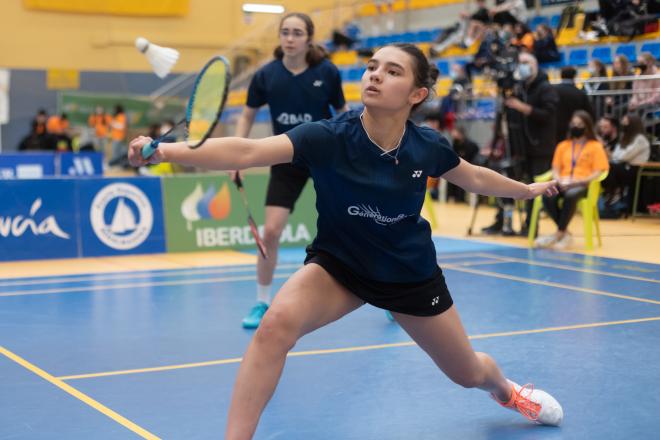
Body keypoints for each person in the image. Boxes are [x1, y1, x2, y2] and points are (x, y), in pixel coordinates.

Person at [128, 43, 563, 439]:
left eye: (392, 71)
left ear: (417, 94)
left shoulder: (426, 146)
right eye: (372, 67)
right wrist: (165, 151)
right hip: (341, 266)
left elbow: (475, 177)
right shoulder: (329, 136)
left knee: (467, 372)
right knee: (274, 327)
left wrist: (527, 190)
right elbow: (246, 151)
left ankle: (507, 391)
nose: (374, 75)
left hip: (408, 275)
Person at [232, 12, 348, 329]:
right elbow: (247, 115)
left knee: (357, 225)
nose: (290, 38)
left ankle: (387, 297)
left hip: (325, 156)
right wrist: (239, 155)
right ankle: (261, 301)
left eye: (297, 33)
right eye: (285, 32)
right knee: (270, 231)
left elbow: (343, 114)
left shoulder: (327, 72)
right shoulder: (266, 75)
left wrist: (349, 152)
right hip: (285, 156)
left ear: (309, 39)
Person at [482, 52, 559, 235]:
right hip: (519, 147)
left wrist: (520, 107)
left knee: (534, 188)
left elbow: (548, 115)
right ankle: (502, 221)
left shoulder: (545, 88)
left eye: (526, 62)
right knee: (506, 183)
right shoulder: (519, 88)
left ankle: (530, 227)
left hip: (540, 148)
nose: (522, 65)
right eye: (520, 62)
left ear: (536, 65)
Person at [535, 110, 609, 250]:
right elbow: (555, 168)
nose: (576, 126)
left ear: (587, 126)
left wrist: (579, 182)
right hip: (563, 182)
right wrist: (559, 180)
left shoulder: (595, 146)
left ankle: (558, 234)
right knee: (548, 196)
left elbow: (599, 171)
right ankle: (564, 233)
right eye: (574, 123)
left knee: (571, 195)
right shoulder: (563, 146)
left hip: (583, 184)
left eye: (580, 124)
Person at [602, 114, 651, 212]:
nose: (623, 124)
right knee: (605, 166)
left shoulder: (640, 139)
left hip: (635, 170)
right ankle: (611, 191)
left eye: (625, 122)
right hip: (624, 166)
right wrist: (613, 156)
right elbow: (617, 155)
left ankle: (614, 191)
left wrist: (614, 156)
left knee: (610, 166)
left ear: (632, 124)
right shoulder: (625, 137)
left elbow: (625, 156)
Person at [553, 66, 594, 145]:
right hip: (574, 130)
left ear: (561, 75)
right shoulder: (580, 93)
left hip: (555, 129)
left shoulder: (552, 90)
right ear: (574, 76)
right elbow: (589, 113)